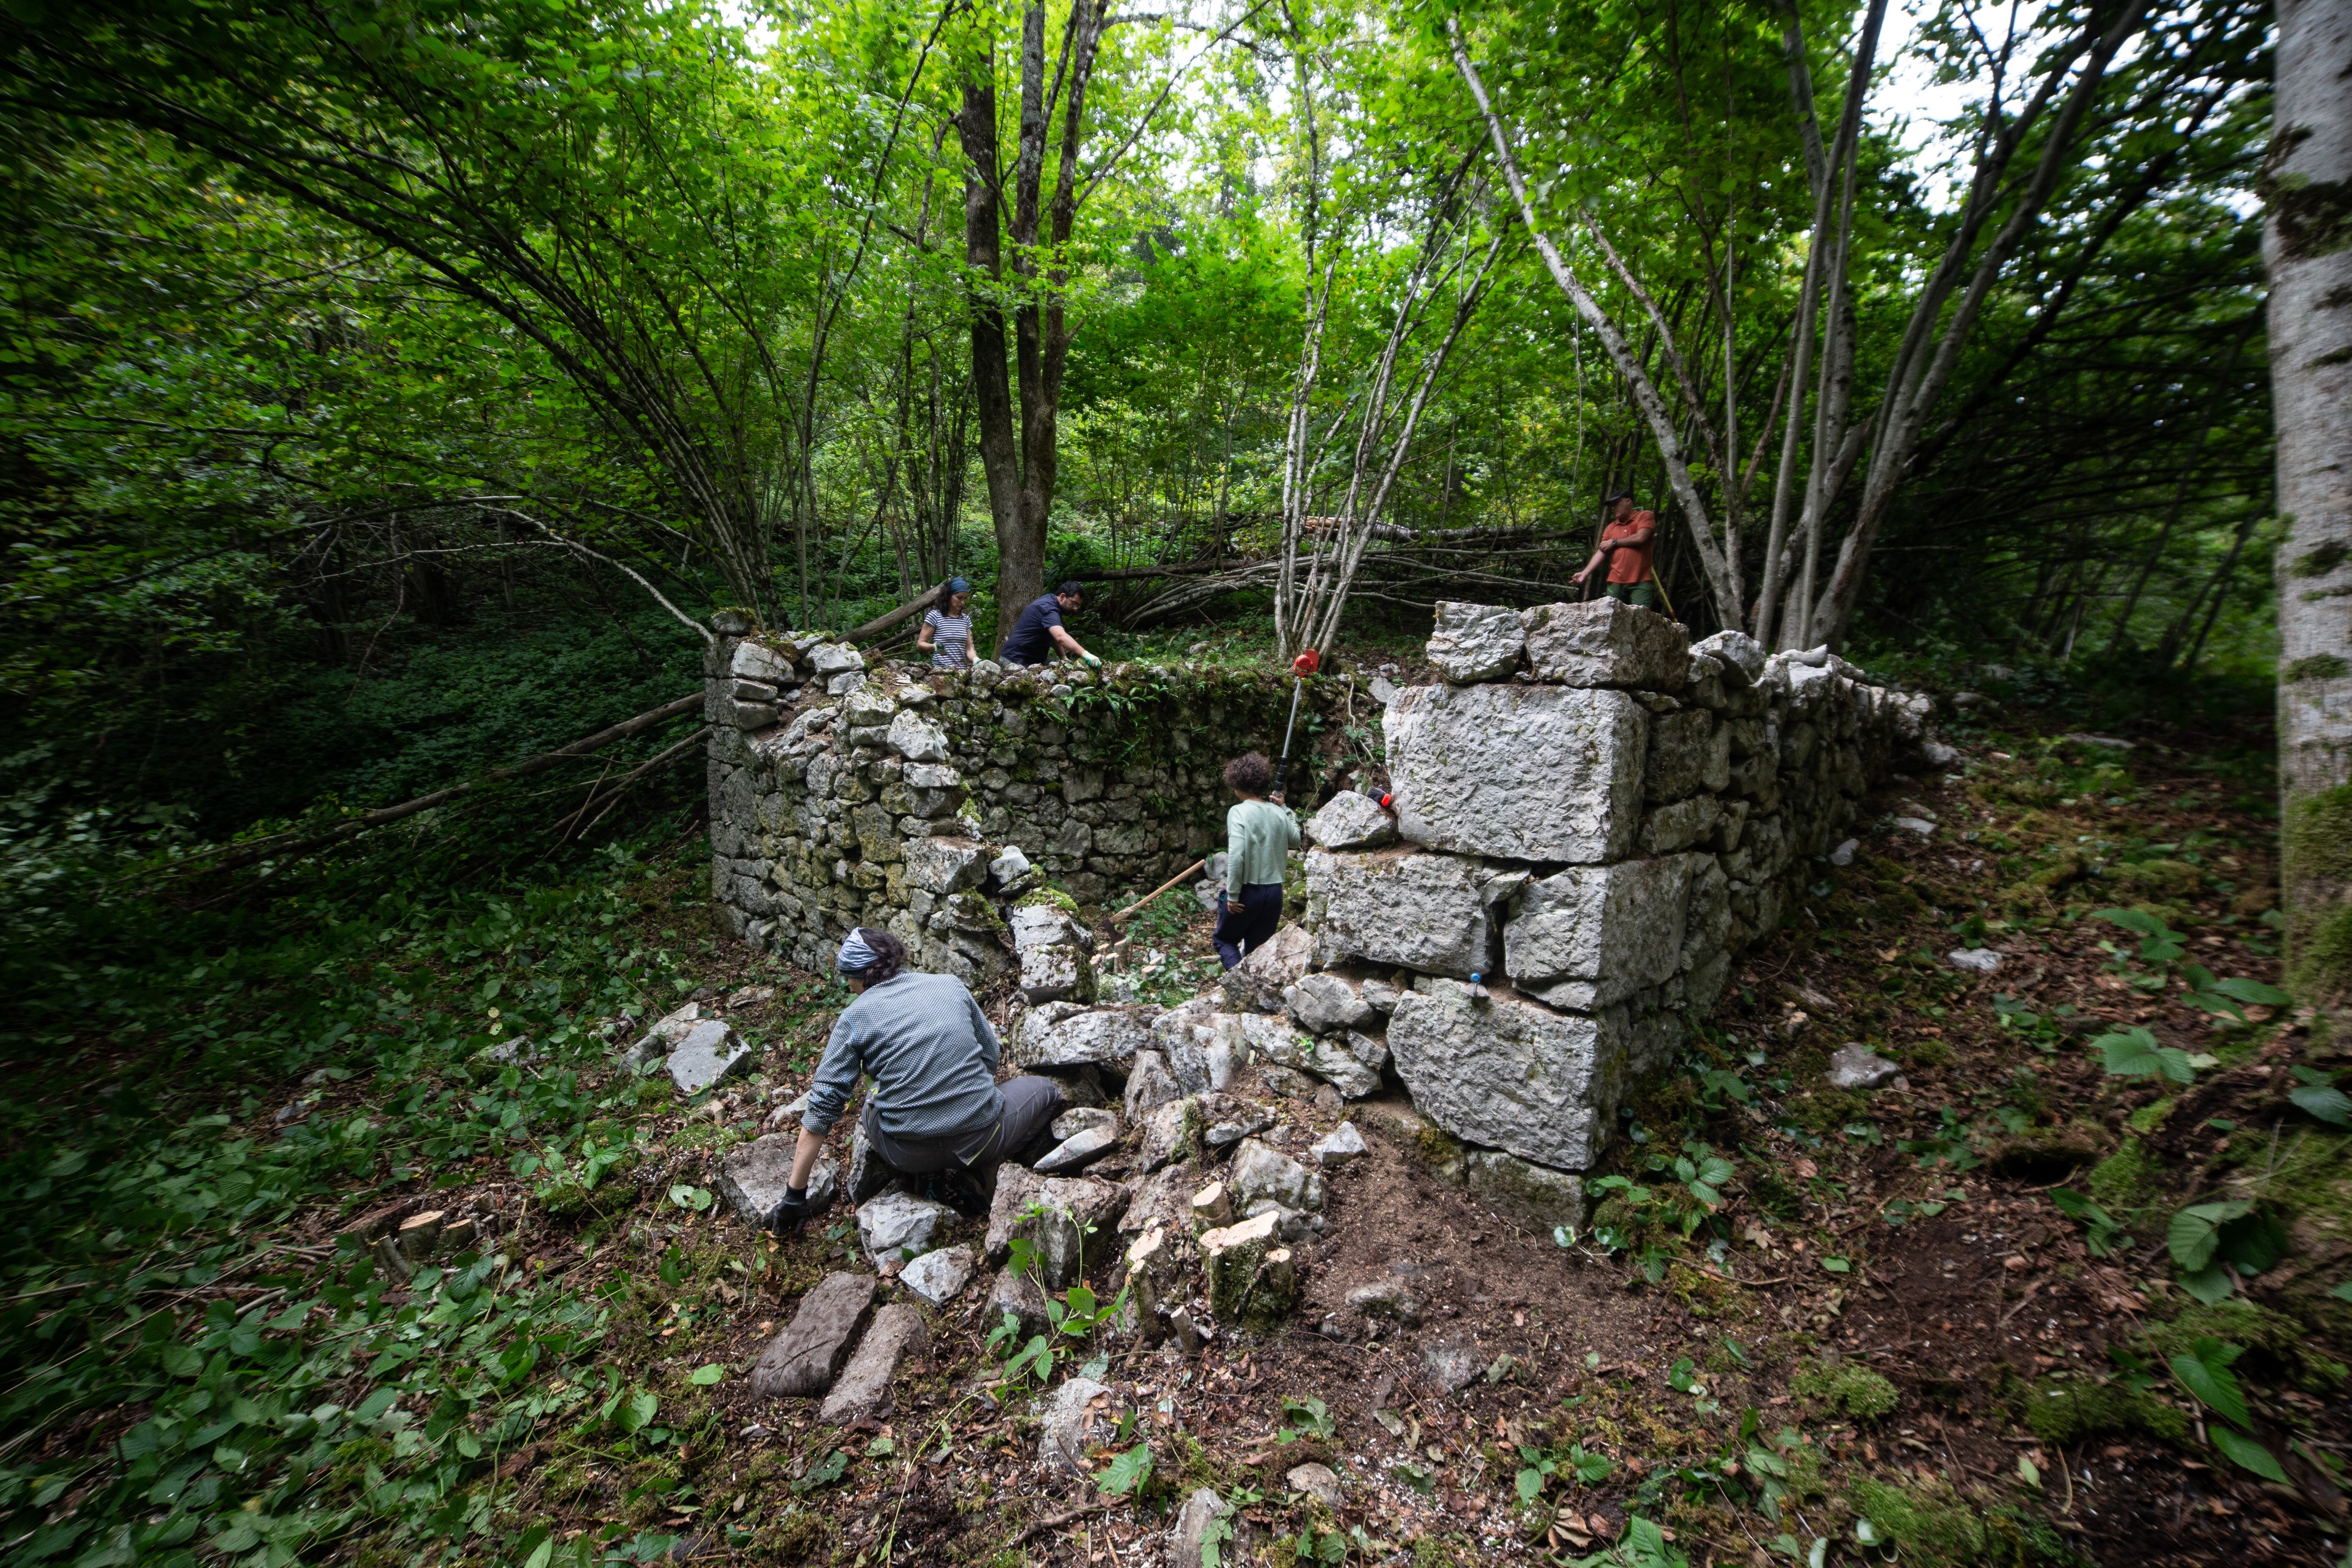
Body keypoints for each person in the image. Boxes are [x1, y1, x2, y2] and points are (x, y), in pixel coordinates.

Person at [764, 928, 1063, 1231]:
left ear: (862, 976)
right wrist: (961, 1093)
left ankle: (928, 1174)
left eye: (849, 979)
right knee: (1048, 1091)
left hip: (906, 1153)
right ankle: (976, 1174)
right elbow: (990, 1053)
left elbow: (823, 1107)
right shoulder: (949, 985)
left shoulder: (854, 1017)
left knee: (872, 1100)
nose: (851, 988)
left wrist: (795, 1194)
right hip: (980, 1138)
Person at [1214, 751, 1299, 970]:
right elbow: (1296, 840)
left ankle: (1242, 987)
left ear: (1238, 785)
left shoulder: (1239, 812)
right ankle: (1253, 992)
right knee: (1257, 950)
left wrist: (1232, 895)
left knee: (1224, 940)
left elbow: (1237, 856)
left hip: (1247, 894)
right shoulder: (1278, 812)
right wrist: (1285, 808)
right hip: (1274, 895)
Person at [1571, 490, 1659, 609]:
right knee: (1612, 618)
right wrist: (1585, 573)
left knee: (1641, 618)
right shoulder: (1611, 527)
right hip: (1616, 581)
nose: (1613, 508)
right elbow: (1602, 551)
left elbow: (1641, 538)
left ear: (1628, 501)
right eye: (1612, 505)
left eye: (1616, 503)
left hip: (1641, 580)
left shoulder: (1644, 516)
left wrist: (1614, 542)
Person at [996, 580, 1102, 668]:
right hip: (1015, 659)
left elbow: (1053, 636)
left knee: (1060, 668)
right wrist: (1085, 654)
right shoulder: (1049, 609)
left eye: (1078, 605)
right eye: (1074, 603)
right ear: (1063, 597)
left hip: (1028, 656)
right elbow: (1060, 637)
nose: (1075, 609)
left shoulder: (1051, 601)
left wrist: (1063, 658)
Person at [916, 577, 977, 671]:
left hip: (961, 673)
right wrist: (934, 647)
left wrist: (976, 660)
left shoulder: (965, 619)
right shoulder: (935, 616)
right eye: (959, 598)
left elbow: (969, 649)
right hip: (941, 672)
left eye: (965, 599)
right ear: (949, 596)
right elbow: (920, 644)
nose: (962, 602)